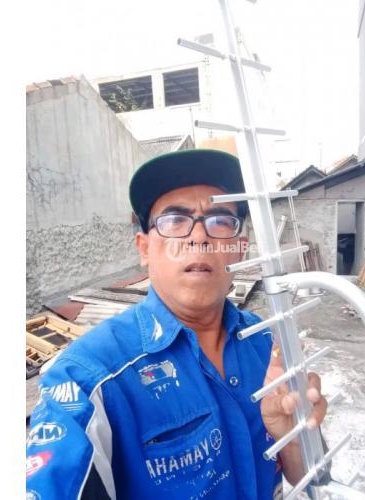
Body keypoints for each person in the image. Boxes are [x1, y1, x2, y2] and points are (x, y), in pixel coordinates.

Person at [26, 149, 328, 499]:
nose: (199, 237)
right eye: (174, 220)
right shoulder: (89, 378)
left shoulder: (264, 344)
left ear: (240, 247)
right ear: (144, 248)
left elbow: (314, 476)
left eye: (220, 220)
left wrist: (293, 436)